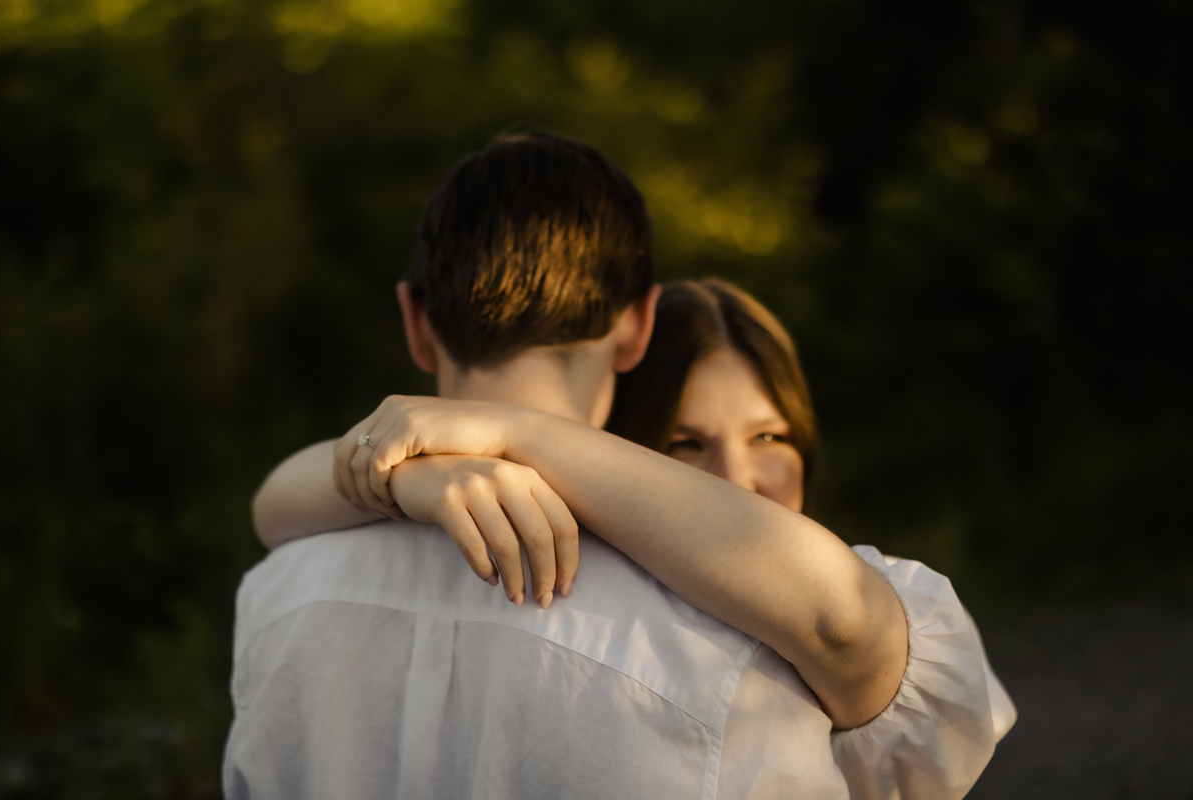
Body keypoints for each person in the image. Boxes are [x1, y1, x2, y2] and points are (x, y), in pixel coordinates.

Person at [227, 132, 999, 798]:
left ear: (416, 322)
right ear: (636, 327)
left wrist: (444, 455)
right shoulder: (736, 623)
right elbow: (863, 638)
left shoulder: (277, 593)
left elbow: (271, 508)